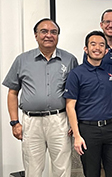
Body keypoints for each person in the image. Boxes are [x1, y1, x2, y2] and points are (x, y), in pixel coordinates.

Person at [2, 18, 78, 177]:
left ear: (58, 36)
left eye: (53, 32)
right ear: (36, 35)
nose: (49, 35)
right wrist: (14, 122)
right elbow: (12, 92)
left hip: (60, 120)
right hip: (31, 122)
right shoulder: (22, 60)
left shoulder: (69, 60)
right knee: (33, 169)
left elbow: (76, 94)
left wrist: (74, 122)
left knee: (63, 169)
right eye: (44, 31)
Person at [64, 31, 112, 177]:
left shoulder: (111, 71)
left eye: (101, 45)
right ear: (86, 49)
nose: (97, 48)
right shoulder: (76, 73)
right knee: (91, 173)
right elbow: (70, 106)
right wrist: (77, 135)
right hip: (88, 130)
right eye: (93, 44)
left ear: (106, 50)